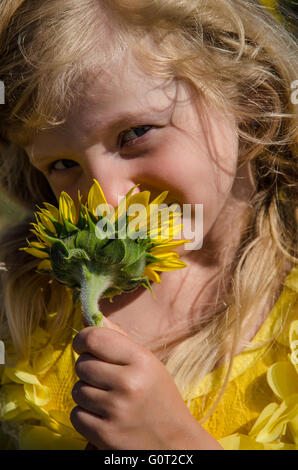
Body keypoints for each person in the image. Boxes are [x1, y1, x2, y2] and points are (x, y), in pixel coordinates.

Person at [0, 0, 297, 450]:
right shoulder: (21, 300)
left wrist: (175, 444)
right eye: (62, 164)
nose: (109, 201)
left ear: (249, 99)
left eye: (135, 133)